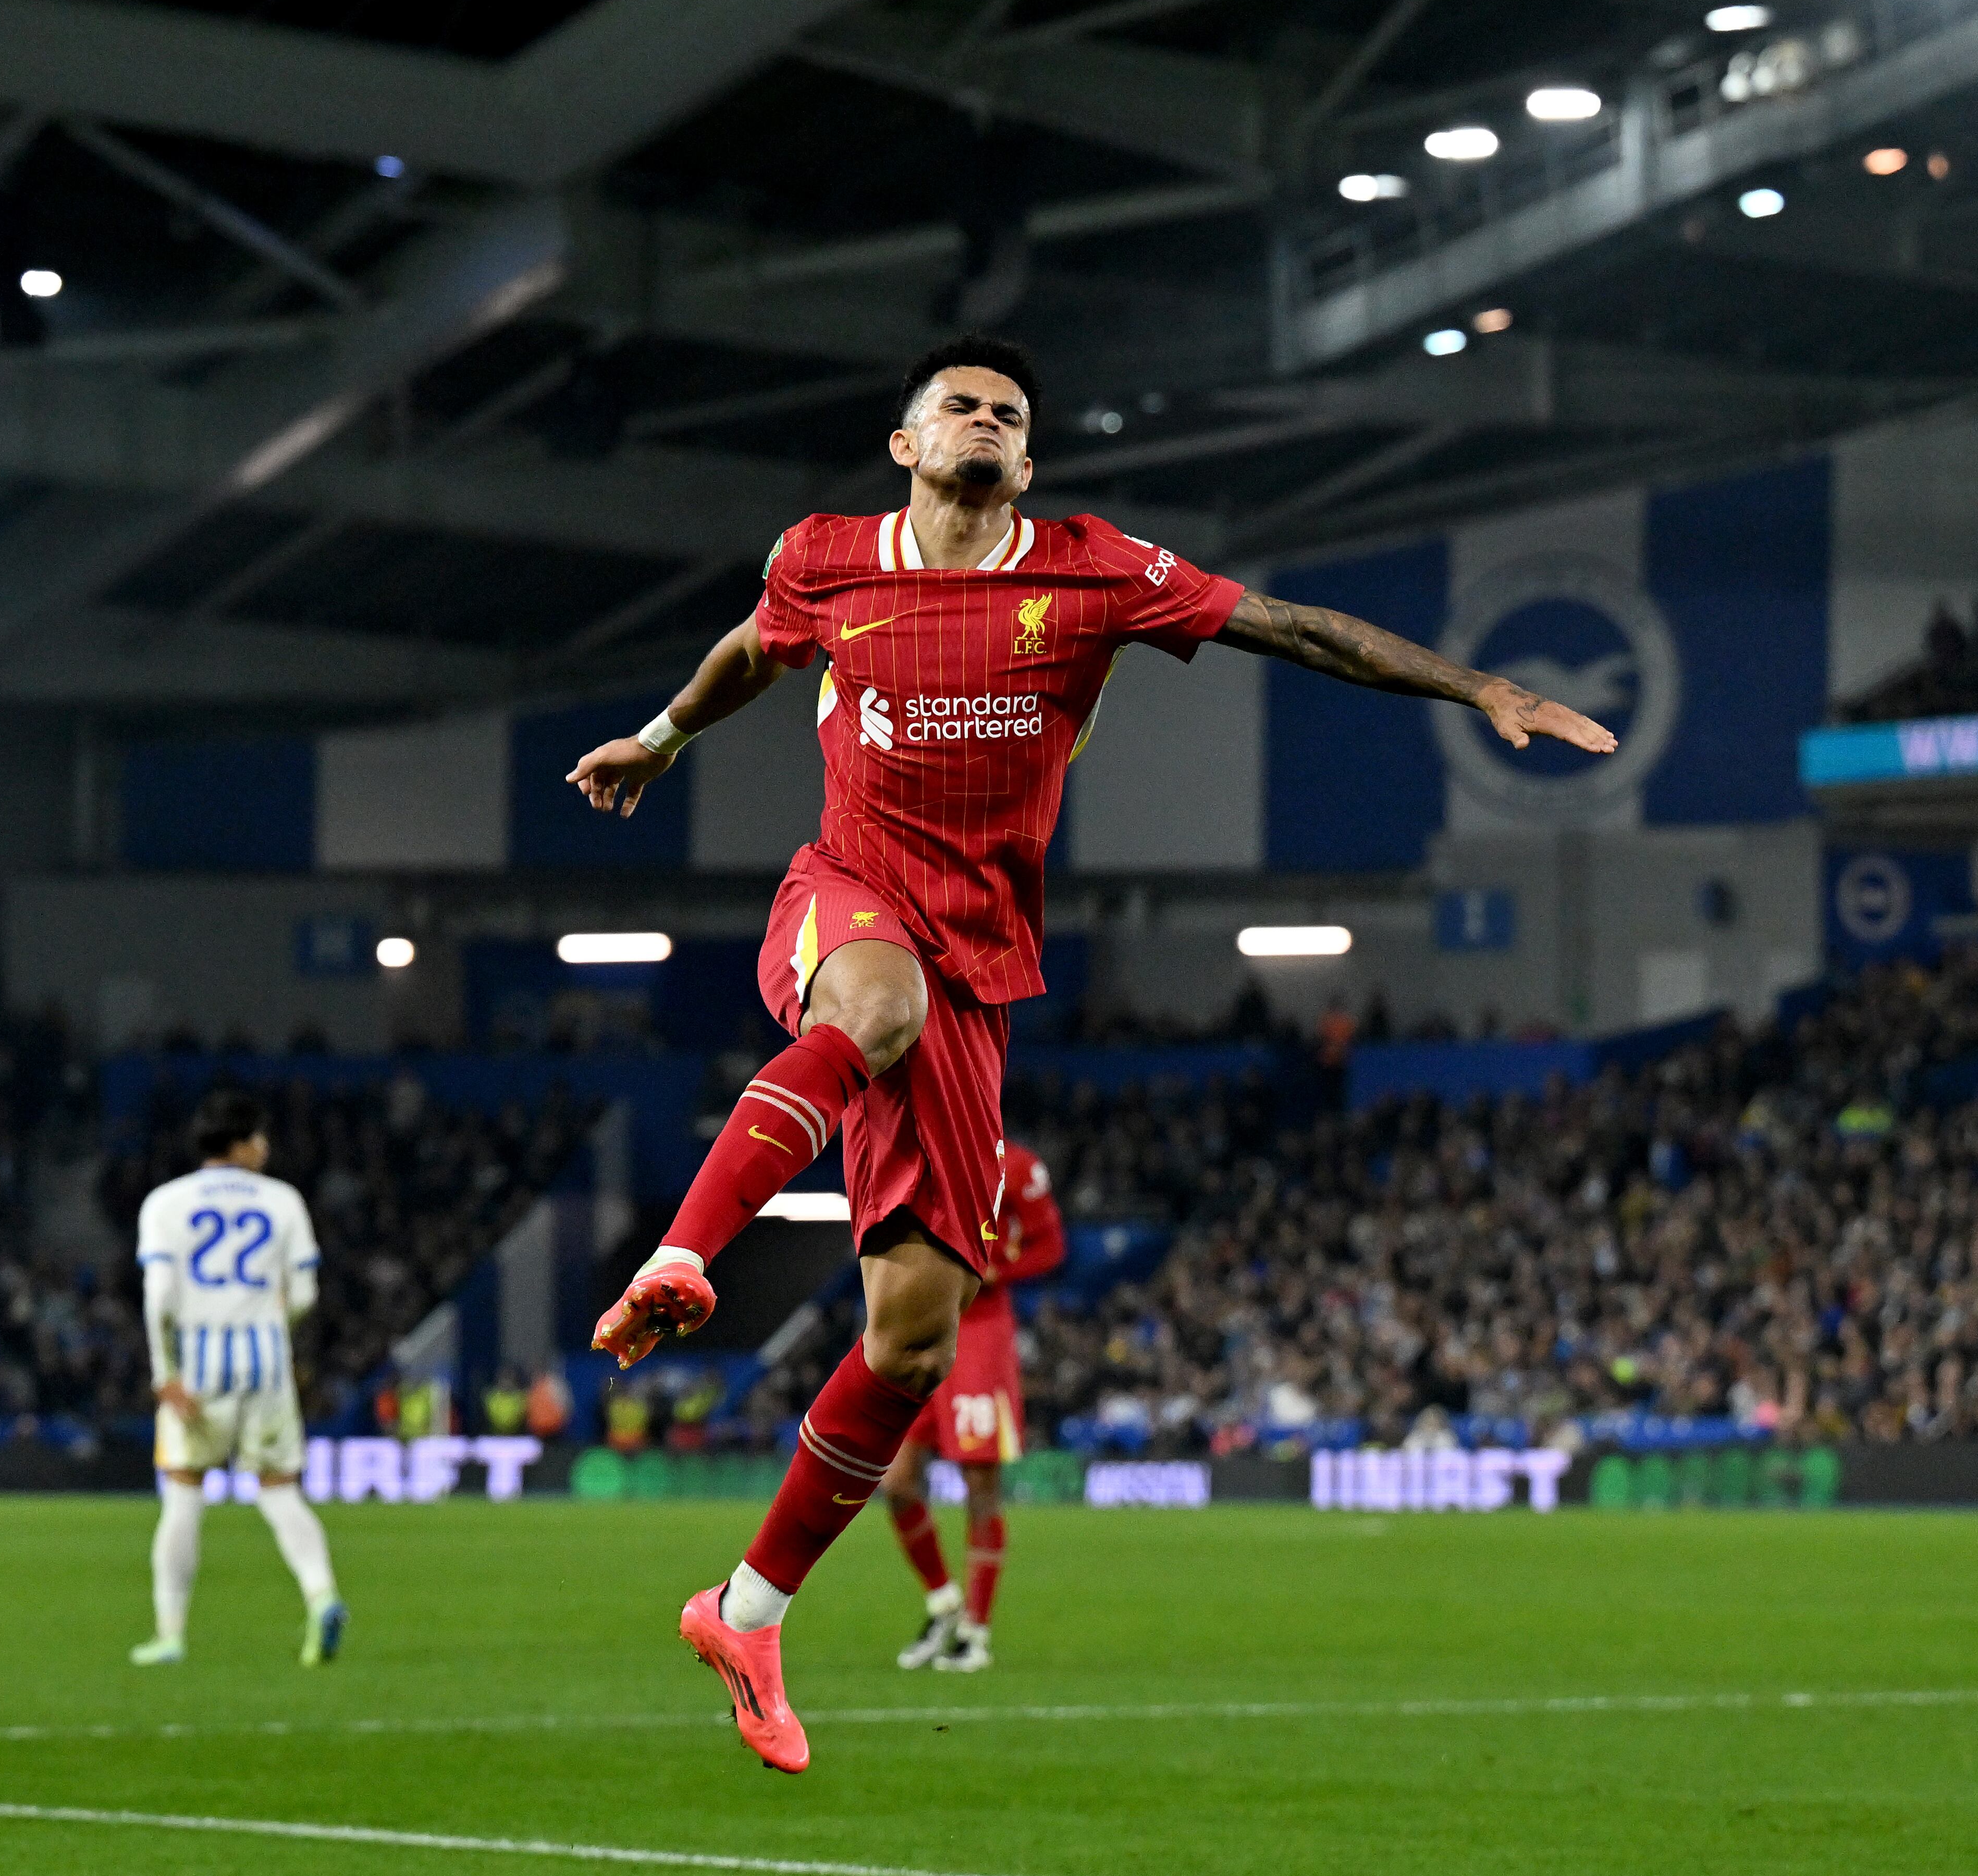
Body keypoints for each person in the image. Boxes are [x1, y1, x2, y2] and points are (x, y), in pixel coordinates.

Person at [567, 330, 1614, 1773]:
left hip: (982, 972)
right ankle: (687, 1251)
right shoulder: (824, 556)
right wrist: (660, 736)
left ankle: (746, 1609)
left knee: (912, 1340)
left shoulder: (1093, 569)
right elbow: (757, 644)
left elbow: (1293, 625)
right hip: (848, 902)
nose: (985, 420)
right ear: (907, 443)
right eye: (959, 405)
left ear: (1029, 459)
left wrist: (1478, 691)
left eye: (1010, 411)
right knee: (871, 1012)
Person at [128, 1088, 346, 1669]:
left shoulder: (164, 1203)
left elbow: (158, 1296)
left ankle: (170, 1633)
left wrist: (163, 1373)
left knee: (182, 1493)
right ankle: (321, 1594)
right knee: (280, 1490)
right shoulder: (284, 1201)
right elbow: (303, 1293)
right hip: (266, 1366)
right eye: (260, 1137)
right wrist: (273, 1323)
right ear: (243, 1143)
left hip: (197, 1369)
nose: (266, 1147)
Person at [887, 1136, 1064, 1673]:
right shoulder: (918, 1157)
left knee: (979, 1487)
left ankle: (976, 1632)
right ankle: (943, 1603)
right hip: (919, 1324)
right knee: (895, 1481)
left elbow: (1050, 1246)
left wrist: (995, 1272)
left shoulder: (1019, 1166)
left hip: (979, 1335)